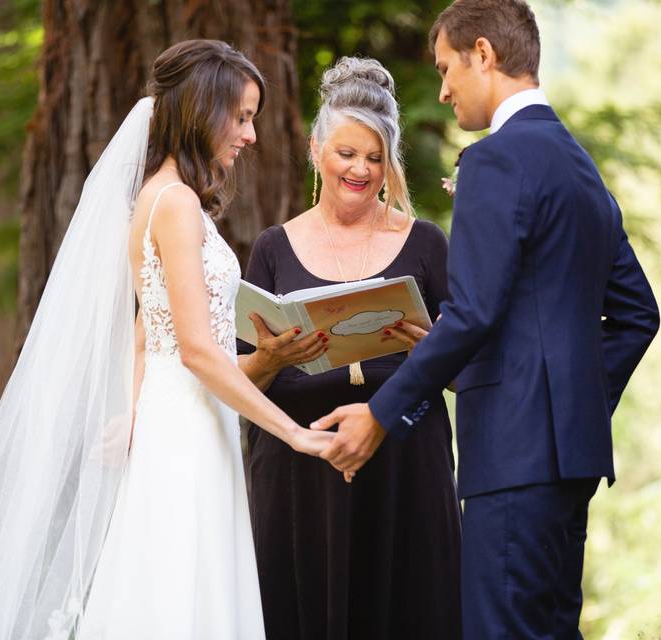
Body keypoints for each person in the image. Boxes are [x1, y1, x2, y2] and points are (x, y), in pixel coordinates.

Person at [0, 40, 333, 640]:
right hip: (185, 431)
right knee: (176, 593)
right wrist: (294, 432)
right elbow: (197, 351)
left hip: (185, 421)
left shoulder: (170, 199)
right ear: (203, 108)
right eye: (242, 117)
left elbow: (151, 329)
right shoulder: (173, 203)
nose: (250, 136)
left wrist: (136, 404)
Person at [311, 2, 661, 638]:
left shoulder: (494, 161)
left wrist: (382, 413)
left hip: (510, 457)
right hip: (570, 462)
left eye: (447, 68)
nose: (443, 90)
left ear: (483, 54)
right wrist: (567, 404)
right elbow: (639, 316)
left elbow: (471, 313)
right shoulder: (582, 171)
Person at [237, 57, 461, 640]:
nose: (360, 170)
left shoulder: (427, 244)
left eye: (375, 157)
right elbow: (236, 381)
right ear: (316, 150)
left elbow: (469, 370)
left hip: (406, 461)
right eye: (346, 154)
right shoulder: (272, 249)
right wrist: (272, 357)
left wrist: (432, 351)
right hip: (297, 471)